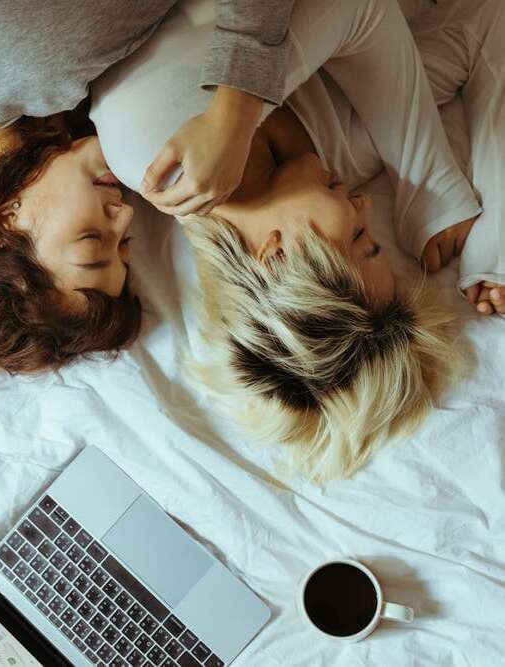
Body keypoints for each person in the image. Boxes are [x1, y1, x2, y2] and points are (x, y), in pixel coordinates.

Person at [88, 0, 504, 480]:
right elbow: (483, 22)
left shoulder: (157, 152)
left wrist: (428, 181)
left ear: (277, 255)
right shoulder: (335, 161)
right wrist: (494, 238)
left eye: (360, 238)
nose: (365, 206)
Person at [0, 0, 296, 389]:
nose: (126, 215)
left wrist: (236, 109)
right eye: (123, 244)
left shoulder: (39, 58)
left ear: (6, 220)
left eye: (92, 239)